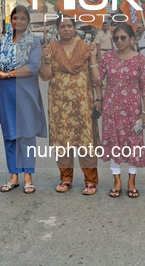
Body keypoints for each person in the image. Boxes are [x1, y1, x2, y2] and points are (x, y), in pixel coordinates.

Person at [0, 5, 47, 194]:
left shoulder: (33, 42)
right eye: (15, 18)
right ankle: (13, 175)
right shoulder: (2, 41)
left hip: (26, 93)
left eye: (22, 18)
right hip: (6, 94)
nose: (18, 21)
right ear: (10, 20)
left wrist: (9, 74)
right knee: (10, 134)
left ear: (27, 21)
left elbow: (33, 67)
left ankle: (28, 175)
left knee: (27, 134)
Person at [91, 23, 145, 198]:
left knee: (134, 143)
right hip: (112, 109)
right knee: (114, 143)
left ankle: (131, 180)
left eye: (123, 37)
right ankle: (116, 180)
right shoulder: (108, 57)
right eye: (116, 38)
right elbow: (97, 79)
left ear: (132, 39)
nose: (119, 41)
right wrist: (93, 58)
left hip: (134, 110)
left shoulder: (139, 59)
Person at [39, 15, 99, 195]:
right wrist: (47, 59)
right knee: (62, 141)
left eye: (69, 26)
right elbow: (45, 76)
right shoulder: (51, 48)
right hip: (59, 104)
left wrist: (99, 99)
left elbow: (96, 78)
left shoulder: (86, 48)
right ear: (57, 29)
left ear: (75, 28)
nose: (66, 29)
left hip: (83, 103)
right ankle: (66, 179)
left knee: (85, 141)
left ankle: (90, 181)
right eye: (62, 26)